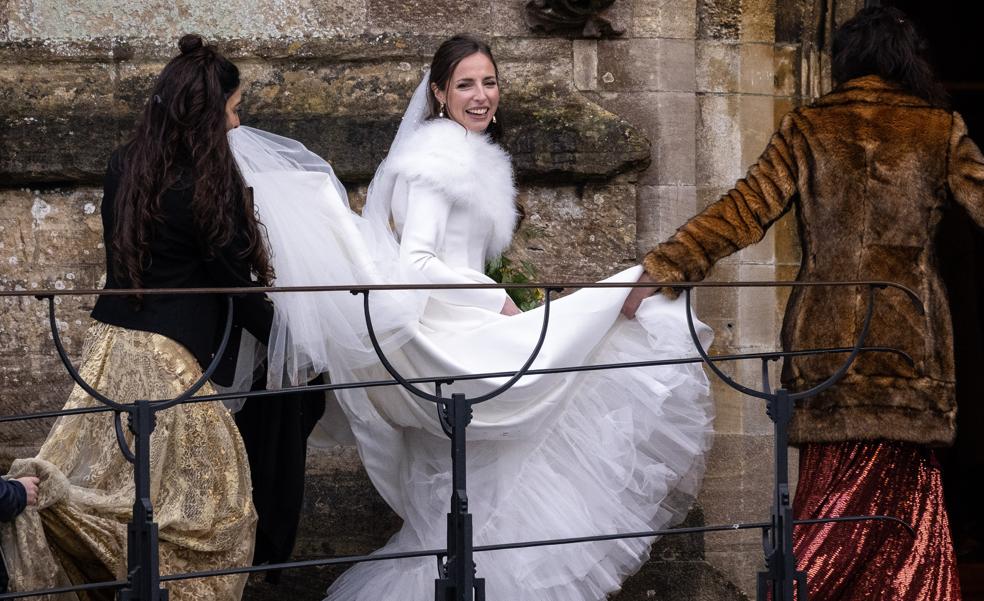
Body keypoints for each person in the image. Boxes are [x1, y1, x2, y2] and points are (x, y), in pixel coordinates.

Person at [230, 34, 714, 600]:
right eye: (466, 84)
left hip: (459, 325)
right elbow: (417, 262)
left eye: (489, 82)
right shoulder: (440, 159)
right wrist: (498, 301)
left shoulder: (465, 153)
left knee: (487, 482)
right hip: (451, 337)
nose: (481, 96)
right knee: (627, 306)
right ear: (438, 94)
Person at [621, 7, 977, 600]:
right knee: (905, 519)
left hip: (825, 346)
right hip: (908, 349)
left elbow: (743, 210)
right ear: (906, 60)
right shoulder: (939, 130)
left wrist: (664, 266)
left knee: (827, 511)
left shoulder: (810, 127)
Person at [0, 34, 270, 600]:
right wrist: (297, 343)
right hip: (171, 365)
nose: (238, 123)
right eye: (234, 110)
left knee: (108, 485)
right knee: (212, 512)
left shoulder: (126, 163)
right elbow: (235, 285)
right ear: (207, 116)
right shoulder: (206, 181)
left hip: (110, 351)